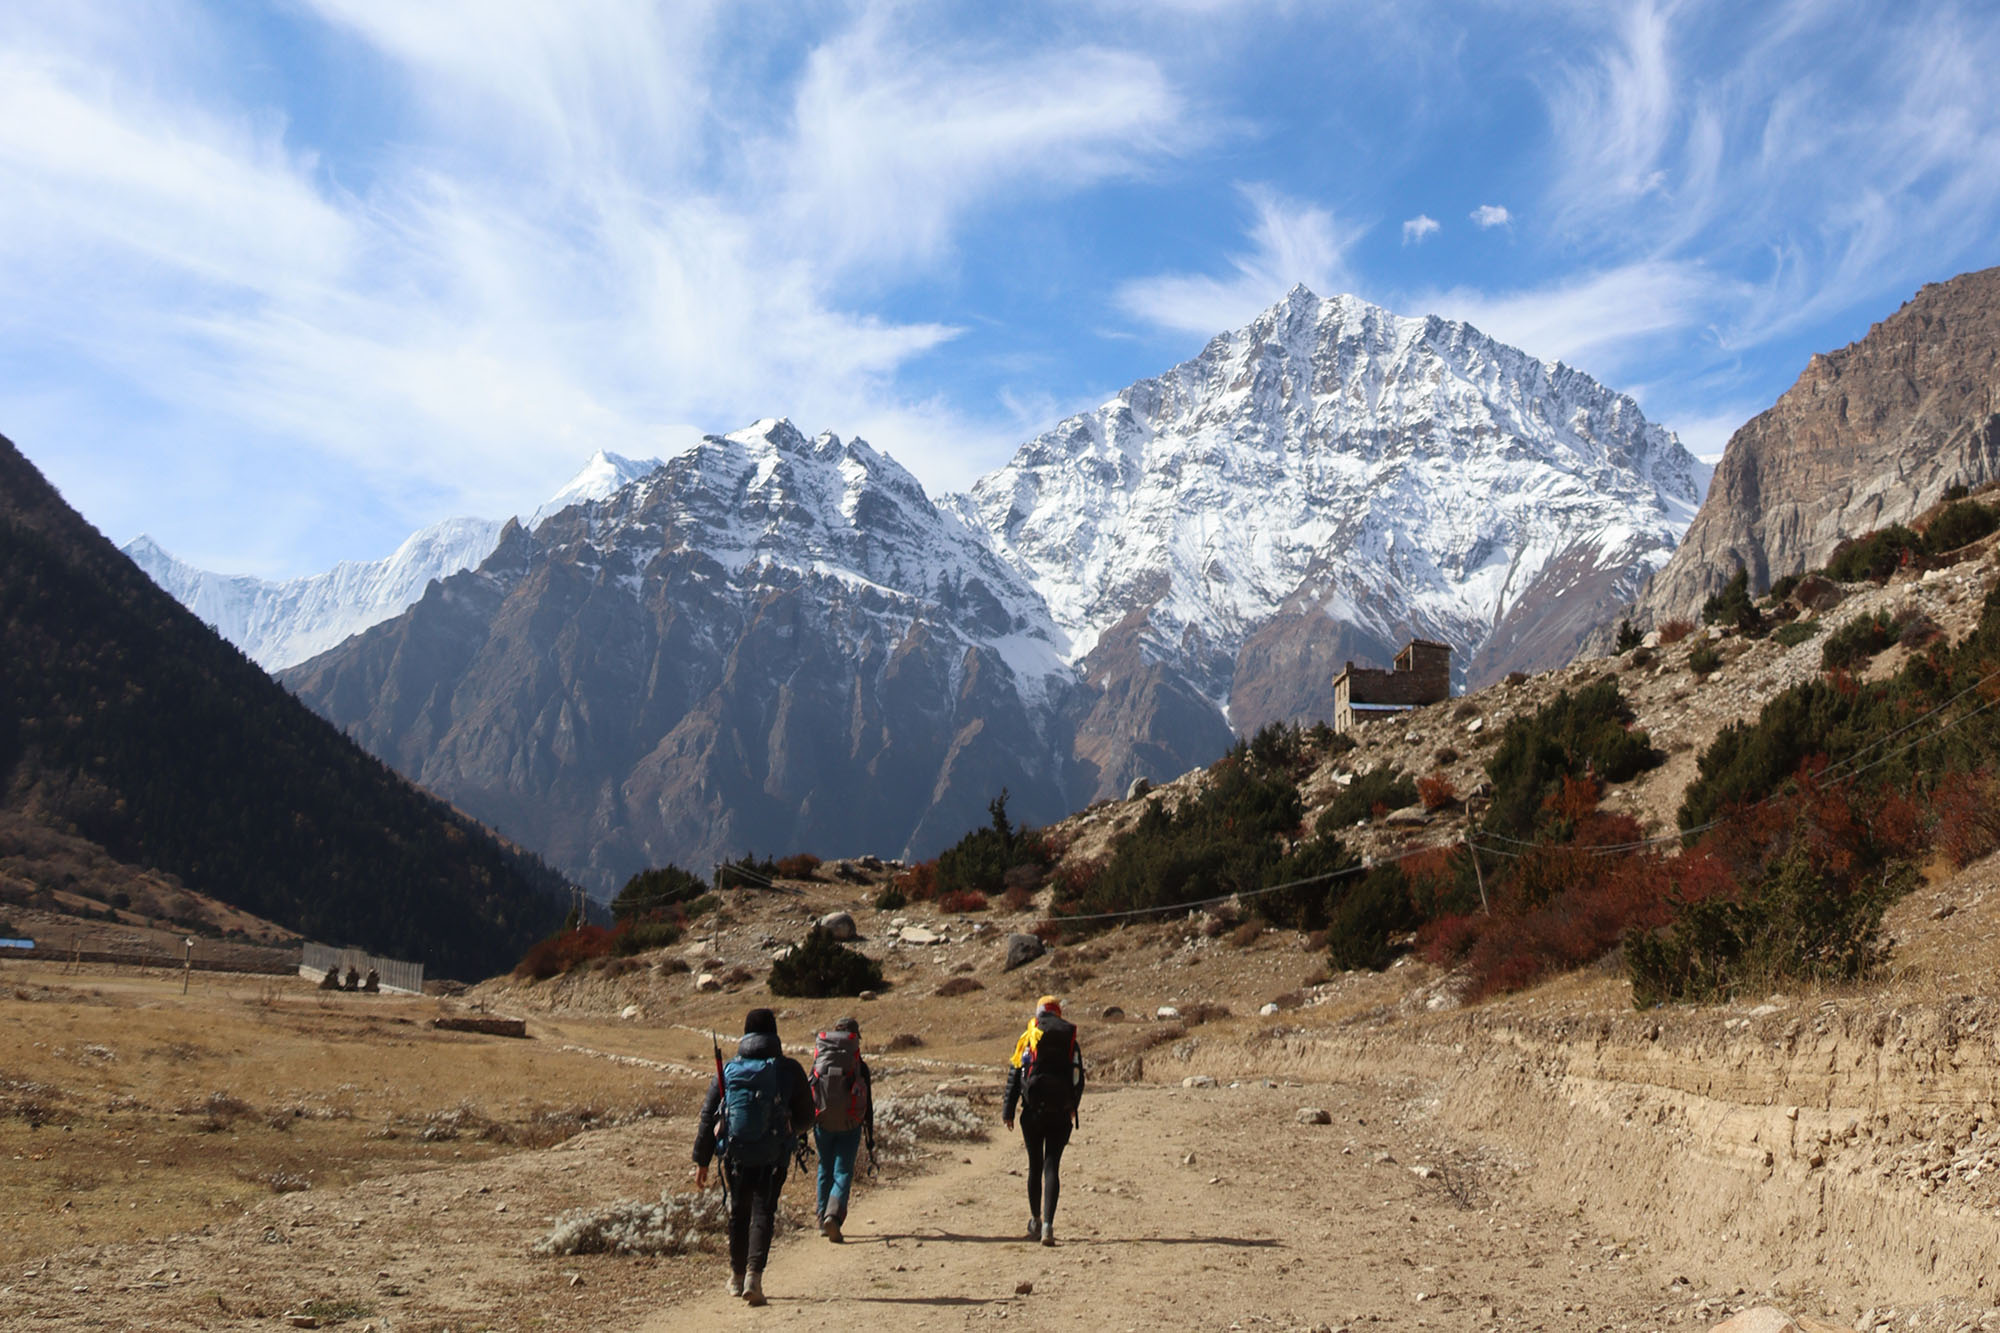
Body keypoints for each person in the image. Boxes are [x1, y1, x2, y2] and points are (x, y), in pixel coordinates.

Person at [692, 1008, 814, 1306]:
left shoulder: (730, 1069)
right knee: (763, 1213)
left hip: (736, 1155)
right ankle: (753, 1278)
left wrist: (702, 1160)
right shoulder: (788, 1069)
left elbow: (710, 1115)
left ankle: (735, 1278)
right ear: (774, 1033)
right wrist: (792, 1129)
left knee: (739, 1212)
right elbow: (808, 1116)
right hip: (773, 1156)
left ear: (745, 1034)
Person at [1001, 995, 1084, 1247]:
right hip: (1061, 1112)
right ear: (1058, 1013)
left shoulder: (1029, 1037)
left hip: (1032, 1112)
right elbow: (1078, 1078)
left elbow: (1014, 1075)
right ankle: (1049, 1226)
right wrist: (1072, 1106)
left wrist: (1008, 1110)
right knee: (1052, 1166)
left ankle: (1035, 1221)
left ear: (1038, 1012)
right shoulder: (1069, 1040)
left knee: (1034, 1165)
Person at [808, 1016, 875, 1242]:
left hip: (823, 1122)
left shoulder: (821, 1058)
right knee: (843, 1171)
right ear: (855, 1039)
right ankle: (833, 1216)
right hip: (850, 1123)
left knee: (824, 1167)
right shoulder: (860, 1066)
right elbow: (868, 1103)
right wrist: (870, 1134)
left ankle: (821, 1219)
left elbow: (812, 1088)